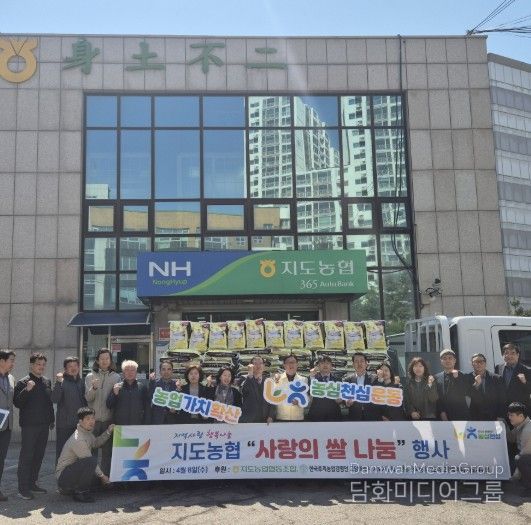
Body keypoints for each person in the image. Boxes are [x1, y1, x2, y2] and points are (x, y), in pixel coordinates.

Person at [13, 352, 54, 500]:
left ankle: (32, 484)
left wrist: (51, 419)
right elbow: (17, 403)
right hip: (29, 426)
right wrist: (27, 390)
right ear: (31, 365)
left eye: (43, 365)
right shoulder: (23, 382)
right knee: (27, 457)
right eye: (38, 364)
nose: (41, 367)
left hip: (44, 425)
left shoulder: (47, 381)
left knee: (38, 456)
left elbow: (49, 403)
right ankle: (22, 489)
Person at [56, 407, 115, 503]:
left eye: (93, 418)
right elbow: (89, 460)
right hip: (64, 477)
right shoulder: (78, 438)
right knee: (91, 461)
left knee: (98, 482)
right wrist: (103, 476)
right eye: (88, 419)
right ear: (80, 421)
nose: (91, 421)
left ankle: (73, 489)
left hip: (72, 473)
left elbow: (96, 443)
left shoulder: (87, 433)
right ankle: (80, 493)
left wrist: (108, 431)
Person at [84, 348, 120, 477]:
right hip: (92, 421)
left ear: (110, 361)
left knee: (107, 453)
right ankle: (91, 479)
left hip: (108, 420)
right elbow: (88, 398)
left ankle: (105, 479)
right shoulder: (90, 376)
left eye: (107, 358)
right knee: (91, 452)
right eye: (102, 359)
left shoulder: (116, 377)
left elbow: (117, 400)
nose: (104, 361)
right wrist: (93, 388)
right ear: (97, 361)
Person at [52, 356, 87, 462]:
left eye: (75, 365)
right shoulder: (61, 382)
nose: (73, 368)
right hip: (64, 425)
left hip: (79, 425)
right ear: (65, 369)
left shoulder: (82, 382)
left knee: (78, 453)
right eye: (70, 366)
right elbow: (54, 399)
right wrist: (58, 383)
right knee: (63, 452)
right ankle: (61, 472)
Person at [106, 360, 150, 425]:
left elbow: (147, 408)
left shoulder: (142, 387)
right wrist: (115, 394)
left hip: (138, 426)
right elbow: (109, 405)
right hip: (120, 426)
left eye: (132, 370)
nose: (130, 373)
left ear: (136, 372)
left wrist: (146, 424)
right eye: (127, 370)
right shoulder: (117, 387)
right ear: (123, 372)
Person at [467, 353, 506, 421]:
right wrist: (476, 385)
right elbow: (467, 394)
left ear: (485, 363)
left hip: (493, 416)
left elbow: (502, 399)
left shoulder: (497, 378)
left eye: (481, 361)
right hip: (475, 417)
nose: (479, 364)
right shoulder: (467, 377)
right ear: (472, 364)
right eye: (476, 362)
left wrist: (500, 416)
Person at [434, 349, 470, 421]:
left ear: (455, 360)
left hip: (461, 416)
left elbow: (467, 393)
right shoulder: (436, 377)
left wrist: (457, 379)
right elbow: (437, 398)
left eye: (450, 358)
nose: (447, 360)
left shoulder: (464, 375)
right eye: (444, 358)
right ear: (441, 361)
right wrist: (442, 413)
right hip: (443, 416)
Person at [343, 352, 379, 421]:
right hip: (354, 416)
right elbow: (344, 396)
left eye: (362, 361)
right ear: (353, 364)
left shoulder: (374, 379)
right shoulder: (347, 380)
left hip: (372, 416)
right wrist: (346, 401)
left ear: (366, 364)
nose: (359, 364)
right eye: (356, 361)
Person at [495, 343, 531, 411]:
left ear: (518, 355)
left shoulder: (527, 370)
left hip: (519, 410)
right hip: (503, 409)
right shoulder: (498, 368)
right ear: (503, 355)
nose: (509, 356)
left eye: (512, 353)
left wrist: (525, 382)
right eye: (506, 353)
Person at [240, 356, 275, 424]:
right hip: (249, 420)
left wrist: (271, 416)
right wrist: (250, 375)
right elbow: (245, 390)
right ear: (251, 366)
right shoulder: (244, 379)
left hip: (265, 421)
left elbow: (273, 400)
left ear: (264, 366)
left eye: (260, 363)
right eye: (255, 363)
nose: (258, 366)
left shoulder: (268, 381)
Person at [307, 355, 342, 422]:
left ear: (331, 366)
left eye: (328, 363)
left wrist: (339, 399)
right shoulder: (312, 378)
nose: (325, 365)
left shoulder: (338, 380)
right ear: (318, 366)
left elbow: (340, 400)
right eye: (322, 363)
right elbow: (309, 398)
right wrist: (312, 378)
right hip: (316, 416)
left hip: (334, 416)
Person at [0, 349, 15, 501]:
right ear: (2, 361)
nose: (13, 363)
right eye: (11, 360)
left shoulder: (11, 378)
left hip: (6, 425)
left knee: (1, 459)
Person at [274, 355, 307, 422]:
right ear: (284, 365)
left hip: (298, 418)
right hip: (281, 417)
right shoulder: (277, 379)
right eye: (288, 362)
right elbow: (272, 396)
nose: (291, 364)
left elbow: (308, 398)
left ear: (297, 365)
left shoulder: (303, 380)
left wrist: (299, 402)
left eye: (293, 362)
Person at [507, 402, 531, 491]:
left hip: (527, 455)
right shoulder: (520, 426)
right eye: (509, 415)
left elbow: (525, 453)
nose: (509, 418)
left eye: (512, 415)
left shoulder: (527, 430)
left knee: (521, 459)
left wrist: (515, 476)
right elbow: (511, 438)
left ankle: (529, 488)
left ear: (521, 416)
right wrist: (503, 425)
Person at [148, 360, 180, 424]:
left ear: (172, 371)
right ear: (160, 371)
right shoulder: (154, 384)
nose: (166, 372)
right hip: (157, 421)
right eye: (163, 369)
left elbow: (181, 404)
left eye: (169, 369)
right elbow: (149, 402)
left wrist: (176, 410)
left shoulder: (177, 385)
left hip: (173, 421)